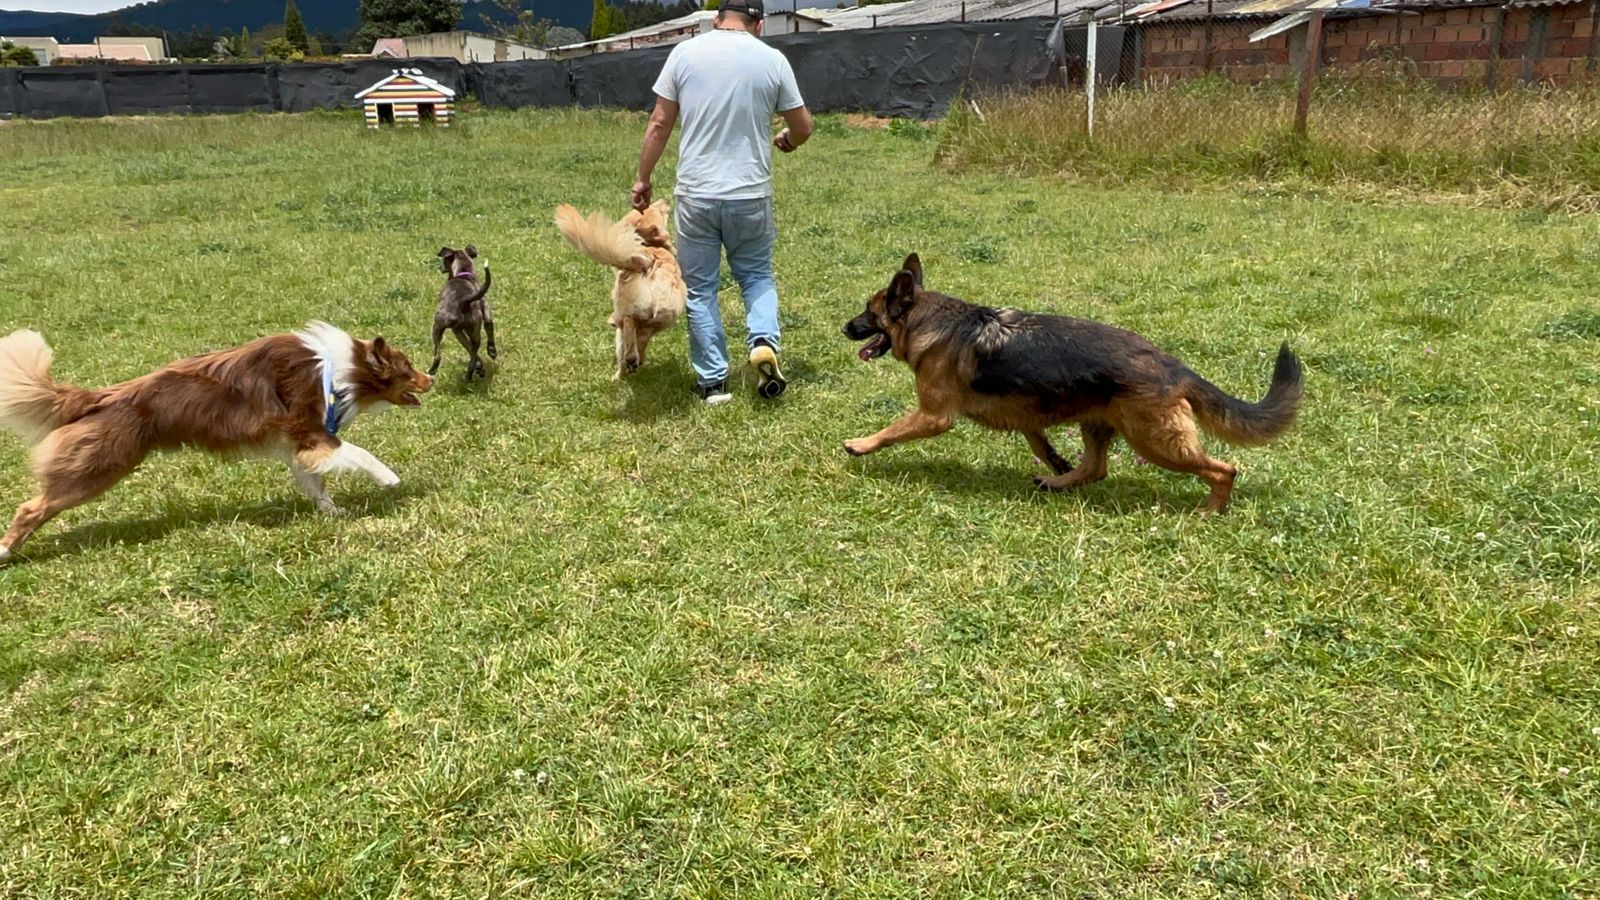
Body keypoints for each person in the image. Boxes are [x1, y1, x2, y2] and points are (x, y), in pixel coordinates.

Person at [632, 0, 814, 405]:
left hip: (697, 194)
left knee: (700, 289)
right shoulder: (772, 60)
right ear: (759, 24)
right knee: (755, 276)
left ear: (716, 19)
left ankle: (713, 383)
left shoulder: (685, 54)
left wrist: (643, 179)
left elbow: (660, 122)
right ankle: (763, 339)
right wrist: (787, 139)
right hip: (749, 194)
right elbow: (803, 125)